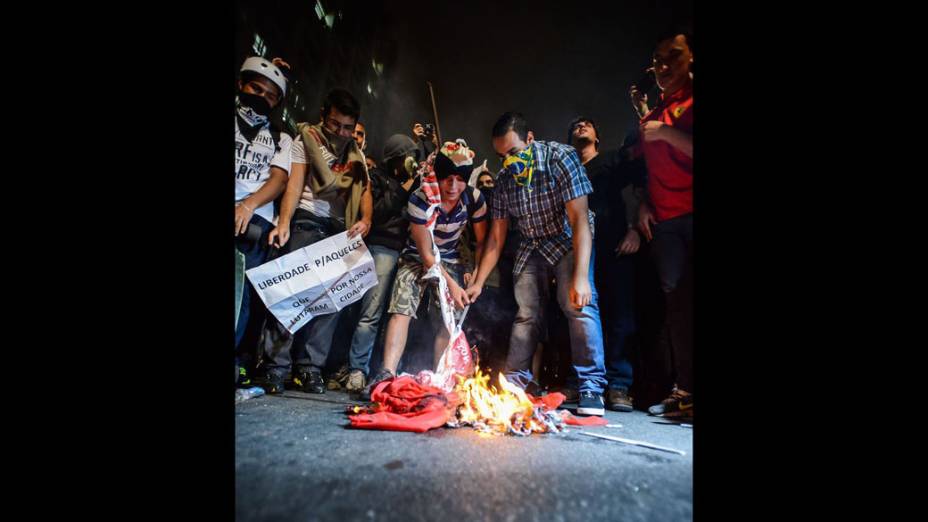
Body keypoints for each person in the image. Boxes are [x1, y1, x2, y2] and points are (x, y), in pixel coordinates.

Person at [467, 112, 608, 416]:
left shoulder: (561, 158)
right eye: (501, 156)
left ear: (529, 139)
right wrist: (478, 282)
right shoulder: (505, 179)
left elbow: (580, 219)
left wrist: (581, 278)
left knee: (578, 306)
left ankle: (591, 387)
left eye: (514, 152)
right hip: (532, 244)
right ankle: (517, 382)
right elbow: (496, 238)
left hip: (568, 237)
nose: (508, 162)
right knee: (527, 313)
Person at [256, 88, 373, 394]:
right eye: (335, 125)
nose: (341, 132)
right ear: (324, 117)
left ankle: (309, 368)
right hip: (307, 221)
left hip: (340, 231)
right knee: (290, 296)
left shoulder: (355, 155)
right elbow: (294, 184)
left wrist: (366, 220)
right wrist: (284, 223)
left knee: (330, 303)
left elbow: (365, 192)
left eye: (348, 127)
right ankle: (276, 366)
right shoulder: (305, 140)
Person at [364, 140, 488, 396]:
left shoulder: (474, 199)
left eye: (459, 179)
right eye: (447, 179)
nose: (452, 187)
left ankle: (441, 378)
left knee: (449, 317)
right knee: (402, 308)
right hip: (417, 258)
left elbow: (483, 242)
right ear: (438, 176)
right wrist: (452, 286)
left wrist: (476, 277)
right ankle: (387, 373)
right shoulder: (420, 199)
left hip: (451, 259)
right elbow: (427, 256)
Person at [566, 116, 646, 412]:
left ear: (598, 136)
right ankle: (582, 381)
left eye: (587, 124)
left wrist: (635, 229)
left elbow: (638, 188)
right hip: (578, 251)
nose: (581, 126)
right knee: (580, 313)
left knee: (620, 314)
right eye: (575, 126)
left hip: (614, 245)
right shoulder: (569, 171)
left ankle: (619, 384)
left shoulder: (613, 160)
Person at [636, 31, 694, 418]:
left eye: (673, 56)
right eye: (658, 58)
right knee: (677, 306)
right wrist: (643, 204)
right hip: (667, 221)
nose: (663, 65)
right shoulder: (657, 110)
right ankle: (685, 391)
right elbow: (652, 165)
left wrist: (668, 133)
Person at [339, 134, 421, 393]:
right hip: (382, 248)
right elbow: (379, 213)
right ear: (396, 158)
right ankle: (356, 369)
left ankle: (383, 370)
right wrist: (403, 189)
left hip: (406, 253)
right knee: (370, 313)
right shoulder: (376, 178)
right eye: (408, 156)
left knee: (395, 316)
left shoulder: (413, 182)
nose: (412, 162)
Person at [234, 56, 292, 383]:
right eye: (256, 88)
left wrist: (247, 205)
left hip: (254, 220)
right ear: (242, 85)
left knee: (243, 301)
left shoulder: (280, 137)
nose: (261, 98)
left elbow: (279, 179)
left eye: (270, 96)